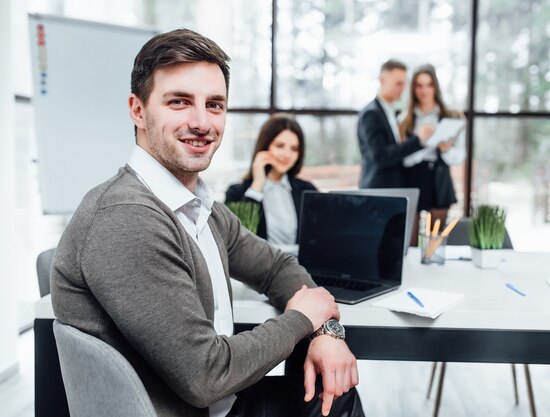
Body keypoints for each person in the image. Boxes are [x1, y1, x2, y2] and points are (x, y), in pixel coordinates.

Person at [50, 29, 363, 417]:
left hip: (222, 403)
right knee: (334, 395)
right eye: (179, 102)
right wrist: (304, 319)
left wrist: (325, 332)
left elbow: (276, 266)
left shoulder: (197, 205)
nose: (201, 122)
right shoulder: (127, 217)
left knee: (332, 386)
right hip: (194, 407)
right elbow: (205, 376)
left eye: (214, 105)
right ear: (137, 110)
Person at [225, 114, 316, 245]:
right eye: (280, 146)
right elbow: (236, 241)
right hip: (259, 265)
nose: (287, 155)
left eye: (294, 149)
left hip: (299, 265)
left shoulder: (307, 190)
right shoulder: (236, 193)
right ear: (266, 146)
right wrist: (257, 185)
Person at [399, 64, 466, 230]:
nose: (424, 91)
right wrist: (422, 143)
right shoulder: (404, 119)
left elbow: (459, 156)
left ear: (435, 87)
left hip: (440, 177)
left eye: (429, 85)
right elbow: (403, 159)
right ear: (413, 88)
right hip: (413, 178)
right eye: (419, 85)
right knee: (409, 239)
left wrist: (446, 149)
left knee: (435, 241)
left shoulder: (451, 115)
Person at [357, 59, 424, 189]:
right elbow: (381, 156)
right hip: (378, 191)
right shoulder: (371, 114)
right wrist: (418, 141)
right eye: (398, 83)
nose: (402, 89)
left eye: (404, 84)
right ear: (382, 80)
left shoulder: (393, 113)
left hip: (394, 189)